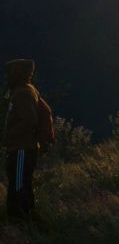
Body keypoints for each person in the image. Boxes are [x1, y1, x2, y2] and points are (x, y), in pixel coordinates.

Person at [5, 59, 53, 223]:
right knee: (22, 183)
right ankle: (27, 217)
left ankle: (19, 218)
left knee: (18, 184)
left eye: (10, 72)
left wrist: (8, 136)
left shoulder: (21, 93)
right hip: (25, 147)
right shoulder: (29, 90)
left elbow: (29, 120)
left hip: (21, 148)